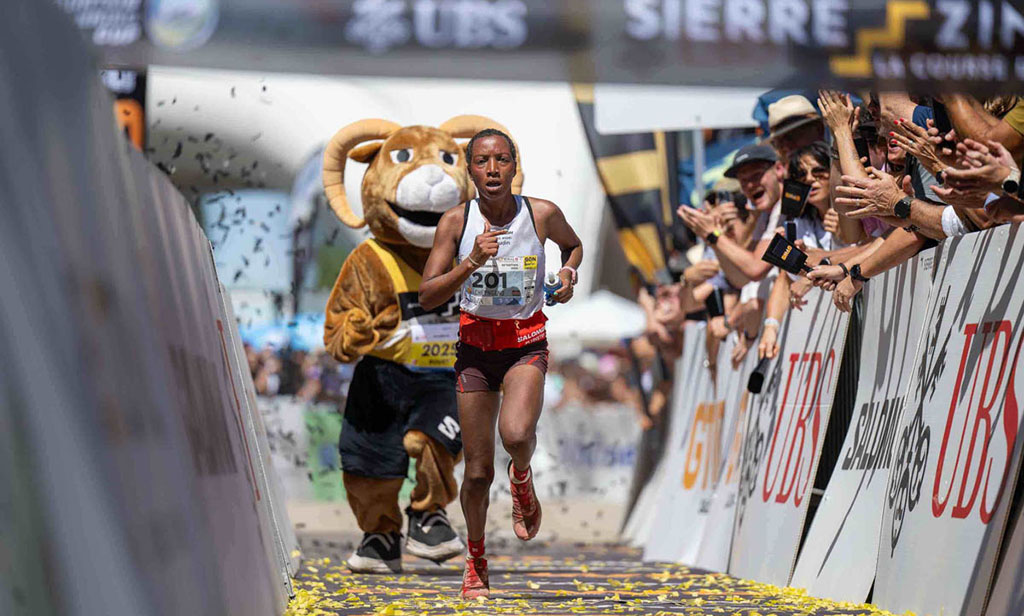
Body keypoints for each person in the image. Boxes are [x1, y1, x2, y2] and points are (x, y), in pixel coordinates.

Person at [419, 128, 583, 599]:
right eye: (483, 162)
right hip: (474, 347)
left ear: (515, 166)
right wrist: (471, 260)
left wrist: (568, 273)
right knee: (475, 473)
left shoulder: (542, 213)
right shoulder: (455, 222)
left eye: (501, 160)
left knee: (515, 435)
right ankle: (475, 559)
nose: (492, 170)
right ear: (469, 170)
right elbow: (428, 295)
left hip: (524, 342)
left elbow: (573, 246)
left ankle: (523, 476)